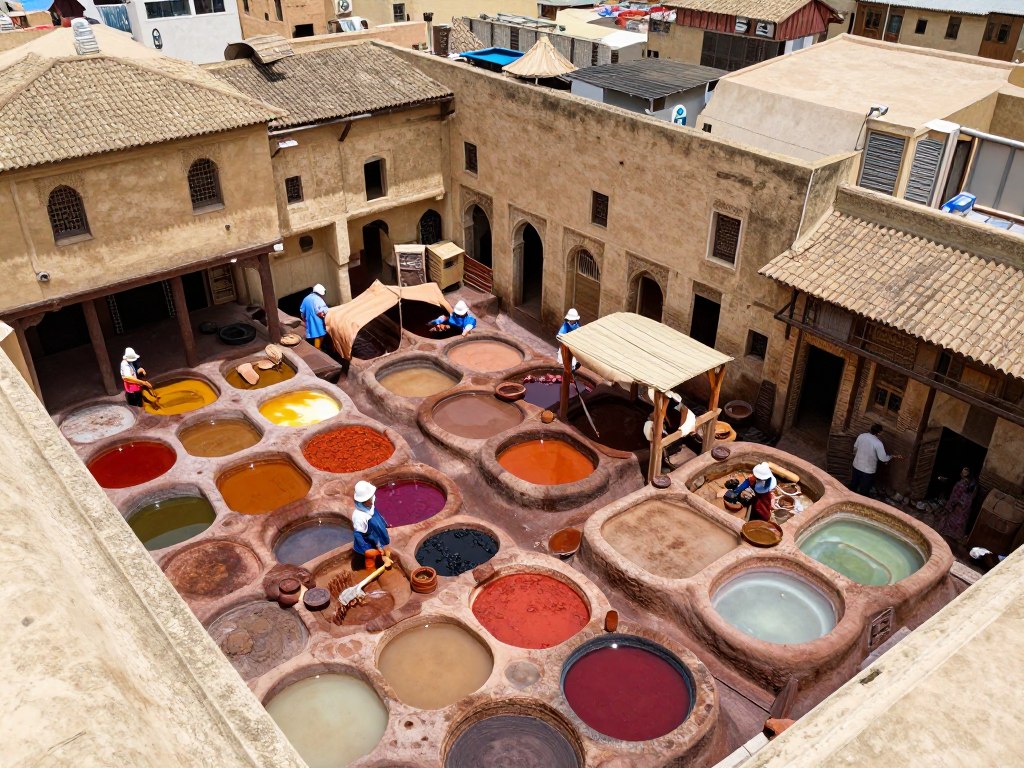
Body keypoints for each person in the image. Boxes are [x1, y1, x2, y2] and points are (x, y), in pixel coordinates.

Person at [849, 424, 901, 496]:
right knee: (864, 491)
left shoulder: (861, 436)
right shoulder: (878, 443)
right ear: (879, 433)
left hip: (856, 466)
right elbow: (883, 458)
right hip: (867, 471)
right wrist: (891, 456)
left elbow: (855, 449)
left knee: (853, 486)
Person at [352, 481, 391, 572]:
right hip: (367, 541)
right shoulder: (359, 516)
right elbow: (358, 534)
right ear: (363, 501)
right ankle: (371, 571)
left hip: (375, 537)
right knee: (370, 558)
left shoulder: (370, 506)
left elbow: (377, 515)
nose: (373, 498)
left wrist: (384, 524)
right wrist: (366, 549)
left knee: (379, 552)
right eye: (369, 498)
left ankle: (379, 560)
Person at [939, 467, 978, 541]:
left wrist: (949, 507)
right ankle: (955, 537)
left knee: (950, 522)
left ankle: (947, 537)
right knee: (960, 522)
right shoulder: (974, 484)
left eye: (963, 472)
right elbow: (973, 496)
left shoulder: (961, 484)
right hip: (966, 508)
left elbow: (955, 497)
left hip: (957, 507)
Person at [299, 284, 329, 349]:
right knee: (319, 334)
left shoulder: (306, 298)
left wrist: (304, 318)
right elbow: (321, 311)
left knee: (311, 332)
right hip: (317, 320)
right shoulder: (318, 299)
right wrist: (325, 315)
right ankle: (317, 348)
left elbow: (302, 311)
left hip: (308, 319)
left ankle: (312, 345)